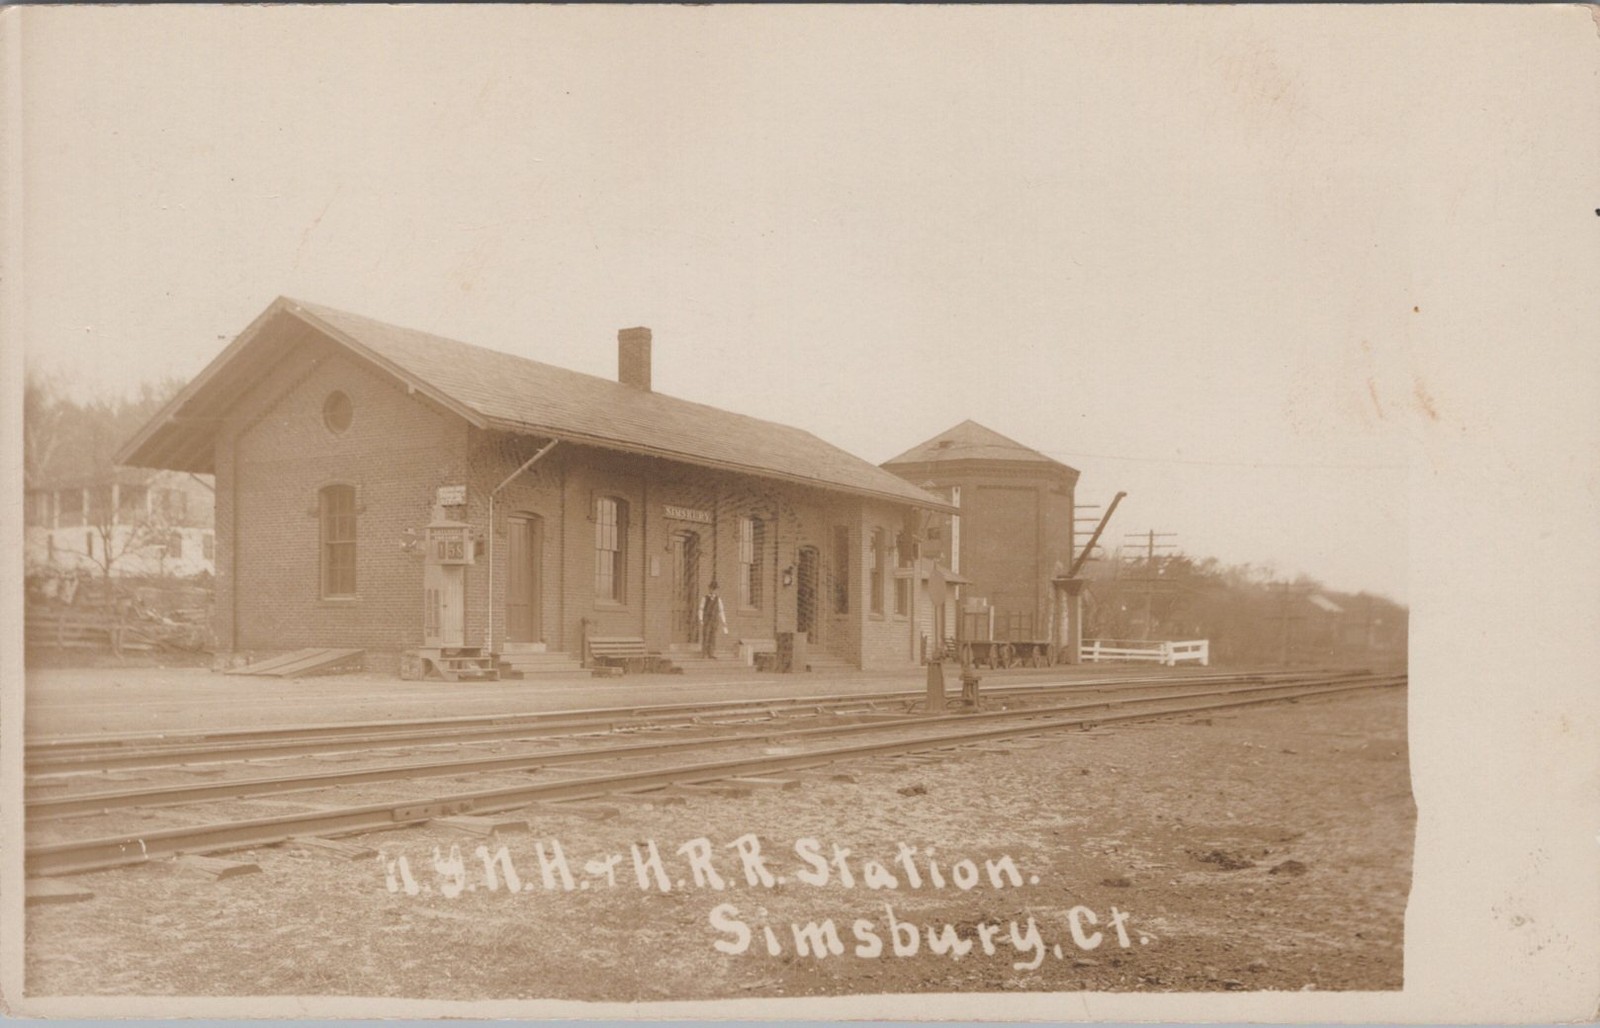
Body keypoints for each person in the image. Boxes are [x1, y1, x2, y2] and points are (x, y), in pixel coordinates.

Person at [700, 580, 727, 658]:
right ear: (709, 589)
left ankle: (711, 653)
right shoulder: (705, 598)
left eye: (714, 589)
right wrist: (701, 619)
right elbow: (701, 609)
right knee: (706, 635)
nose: (713, 590)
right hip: (707, 620)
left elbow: (721, 611)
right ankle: (704, 653)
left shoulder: (718, 599)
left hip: (714, 621)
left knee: (713, 636)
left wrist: (724, 621)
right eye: (711, 588)